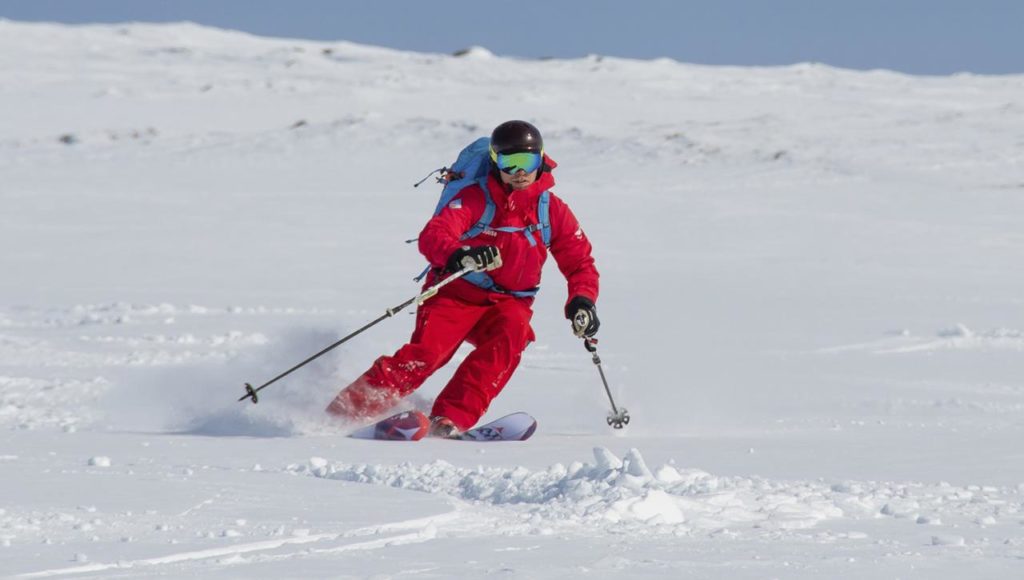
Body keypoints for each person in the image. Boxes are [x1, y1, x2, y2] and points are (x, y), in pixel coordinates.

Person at [326, 120, 600, 437]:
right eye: (509, 163)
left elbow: (579, 260)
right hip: (455, 295)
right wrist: (460, 254)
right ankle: (345, 411)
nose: (519, 172)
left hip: (509, 301)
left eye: (527, 162)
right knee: (427, 356)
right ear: (495, 162)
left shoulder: (550, 209)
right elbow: (435, 234)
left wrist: (582, 300)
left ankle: (450, 418)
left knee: (511, 336)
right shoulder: (474, 198)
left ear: (541, 160)